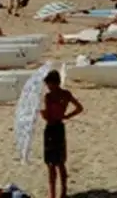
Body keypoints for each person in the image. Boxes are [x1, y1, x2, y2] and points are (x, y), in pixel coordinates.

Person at [40, 70, 83, 198]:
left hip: (51, 128)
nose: (48, 86)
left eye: (48, 84)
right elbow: (79, 108)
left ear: (53, 83)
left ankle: (53, 194)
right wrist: (67, 116)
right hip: (59, 127)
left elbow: (48, 117)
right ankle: (63, 192)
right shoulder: (66, 94)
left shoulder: (48, 97)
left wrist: (42, 113)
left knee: (51, 164)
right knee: (60, 162)